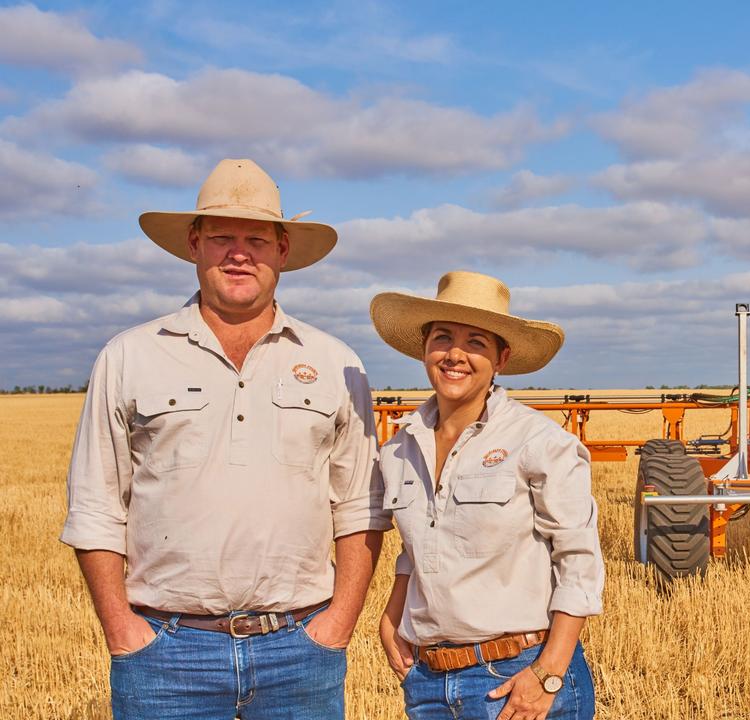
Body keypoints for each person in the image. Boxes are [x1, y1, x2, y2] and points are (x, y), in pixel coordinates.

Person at [60, 159, 390, 720]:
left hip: (299, 649)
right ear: (194, 245)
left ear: (283, 251)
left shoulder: (336, 363)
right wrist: (122, 631)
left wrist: (335, 627)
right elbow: (95, 504)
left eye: (256, 239)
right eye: (222, 238)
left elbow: (360, 505)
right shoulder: (130, 355)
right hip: (165, 654)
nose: (240, 253)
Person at [371, 271, 604, 720]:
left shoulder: (538, 440)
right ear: (424, 348)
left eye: (476, 342)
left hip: (519, 677)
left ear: (501, 357)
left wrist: (549, 673)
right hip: (428, 684)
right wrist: (392, 613)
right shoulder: (398, 449)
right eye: (443, 338)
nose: (456, 354)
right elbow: (415, 546)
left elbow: (579, 559)